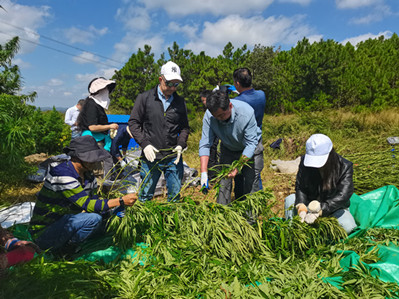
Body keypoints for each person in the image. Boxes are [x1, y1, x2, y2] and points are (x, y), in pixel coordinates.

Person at [29, 135, 138, 253]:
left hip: (66, 222)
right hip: (45, 232)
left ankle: (70, 242)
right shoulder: (62, 174)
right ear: (77, 158)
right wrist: (120, 201)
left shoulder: (88, 175)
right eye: (91, 159)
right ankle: (65, 250)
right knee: (93, 219)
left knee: (105, 223)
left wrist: (112, 213)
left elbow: (95, 200)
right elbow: (87, 204)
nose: (95, 161)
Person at [128, 61, 189, 202]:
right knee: (145, 195)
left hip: (173, 157)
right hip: (151, 158)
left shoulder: (180, 102)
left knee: (174, 196)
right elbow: (133, 123)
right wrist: (145, 144)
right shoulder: (145, 98)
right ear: (160, 79)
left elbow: (185, 127)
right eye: (169, 83)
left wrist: (181, 143)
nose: (173, 88)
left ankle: (172, 221)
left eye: (176, 84)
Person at [284, 134, 357, 234]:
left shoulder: (344, 166)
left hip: (333, 208)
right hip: (309, 204)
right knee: (290, 199)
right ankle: (294, 232)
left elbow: (343, 195)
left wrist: (321, 209)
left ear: (330, 154)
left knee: (348, 226)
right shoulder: (304, 162)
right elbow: (300, 186)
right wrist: (301, 207)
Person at [199, 90, 261, 205]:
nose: (219, 119)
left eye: (222, 115)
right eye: (216, 116)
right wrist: (203, 172)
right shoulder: (209, 115)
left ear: (230, 106)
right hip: (228, 148)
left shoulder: (246, 113)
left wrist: (238, 167)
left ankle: (250, 220)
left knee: (251, 184)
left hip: (249, 149)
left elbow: (251, 144)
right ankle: (223, 215)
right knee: (223, 183)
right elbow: (205, 143)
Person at [77, 77, 118, 178]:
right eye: (105, 89)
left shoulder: (95, 104)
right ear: (99, 91)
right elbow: (93, 127)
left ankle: (100, 183)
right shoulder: (92, 105)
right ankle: (104, 184)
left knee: (102, 162)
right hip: (93, 140)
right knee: (105, 161)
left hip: (97, 139)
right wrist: (110, 126)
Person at [233, 68, 266, 192]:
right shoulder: (261, 95)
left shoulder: (236, 102)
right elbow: (250, 95)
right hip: (257, 139)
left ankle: (241, 199)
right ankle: (258, 200)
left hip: (243, 142)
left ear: (237, 83)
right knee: (256, 174)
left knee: (240, 174)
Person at [200, 89, 219, 182]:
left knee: (212, 157)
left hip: (214, 138)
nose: (204, 103)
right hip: (209, 138)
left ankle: (213, 177)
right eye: (203, 101)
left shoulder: (215, 110)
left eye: (204, 100)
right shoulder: (208, 112)